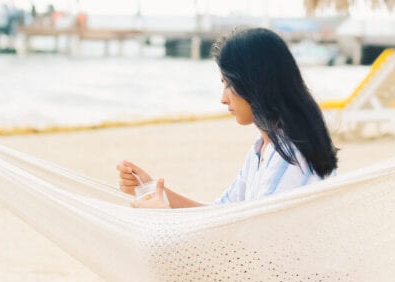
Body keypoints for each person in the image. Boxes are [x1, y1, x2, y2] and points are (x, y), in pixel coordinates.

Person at [116, 27, 338, 208]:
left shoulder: (288, 154)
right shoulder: (262, 149)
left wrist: (162, 215)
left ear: (255, 83)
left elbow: (256, 241)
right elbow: (218, 214)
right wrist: (153, 188)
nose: (223, 99)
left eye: (228, 84)